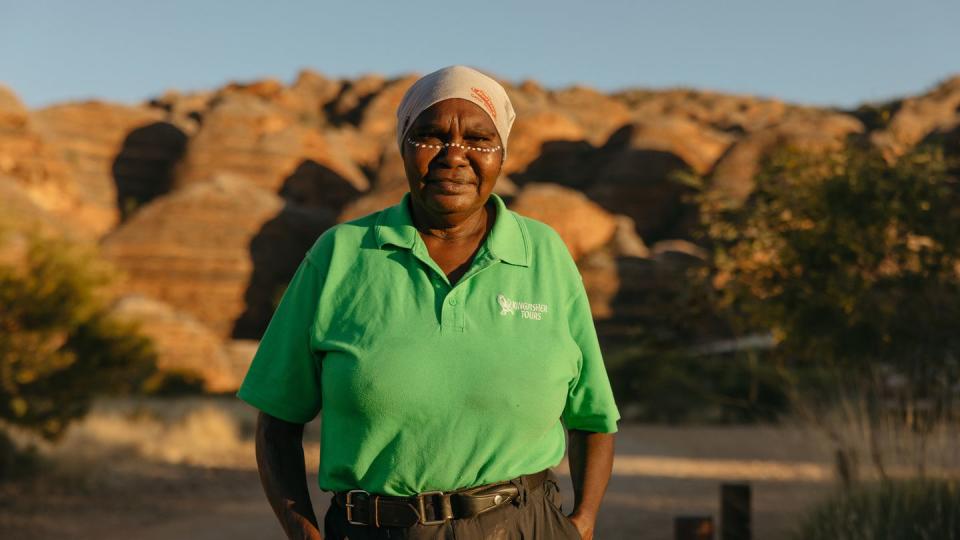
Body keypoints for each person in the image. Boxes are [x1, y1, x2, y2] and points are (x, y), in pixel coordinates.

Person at [237, 65, 620, 540]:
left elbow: (593, 416)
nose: (454, 156)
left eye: (479, 140)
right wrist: (305, 534)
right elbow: (276, 420)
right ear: (402, 144)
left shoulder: (544, 254)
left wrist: (582, 524)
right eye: (430, 136)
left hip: (522, 525)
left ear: (502, 154)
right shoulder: (341, 254)